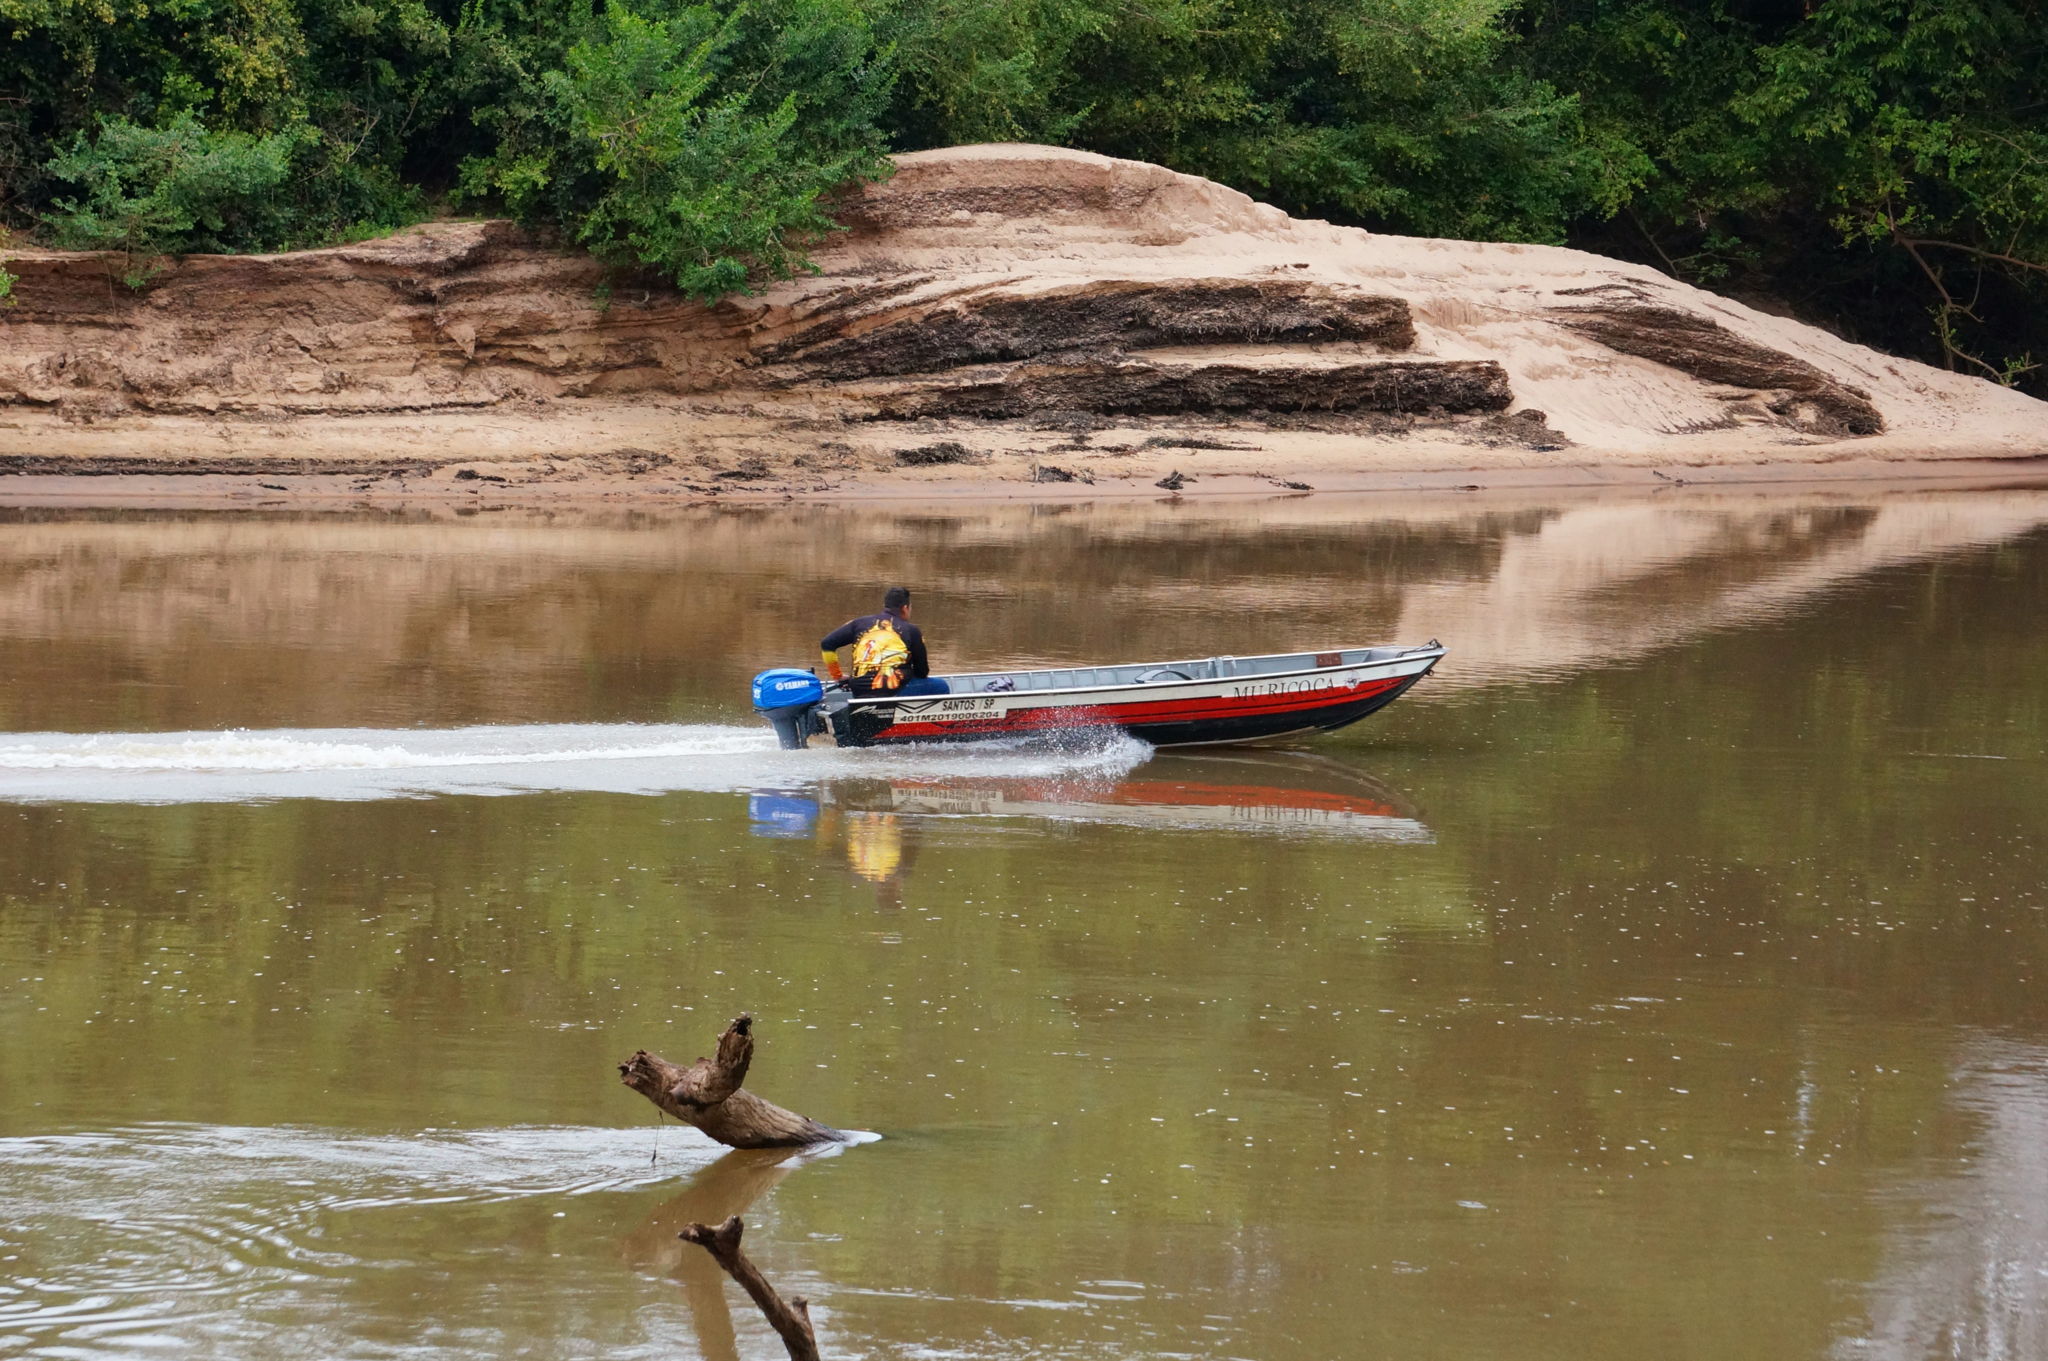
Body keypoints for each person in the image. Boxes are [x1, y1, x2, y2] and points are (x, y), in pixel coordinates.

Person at [820, 586, 951, 696]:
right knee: (941, 686)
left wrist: (837, 676)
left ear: (885, 606)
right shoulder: (911, 630)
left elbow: (827, 644)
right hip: (891, 689)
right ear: (905, 608)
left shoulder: (858, 623)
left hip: (858, 689)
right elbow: (922, 672)